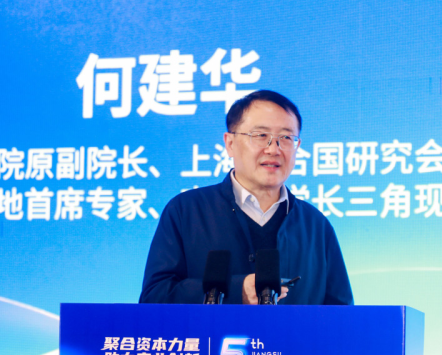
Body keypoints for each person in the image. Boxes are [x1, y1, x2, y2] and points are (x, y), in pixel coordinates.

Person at [139, 90, 353, 305]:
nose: (273, 149)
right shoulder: (186, 211)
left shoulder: (316, 225)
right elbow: (154, 297)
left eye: (286, 138)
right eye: (261, 136)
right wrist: (235, 290)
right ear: (230, 143)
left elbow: (342, 313)